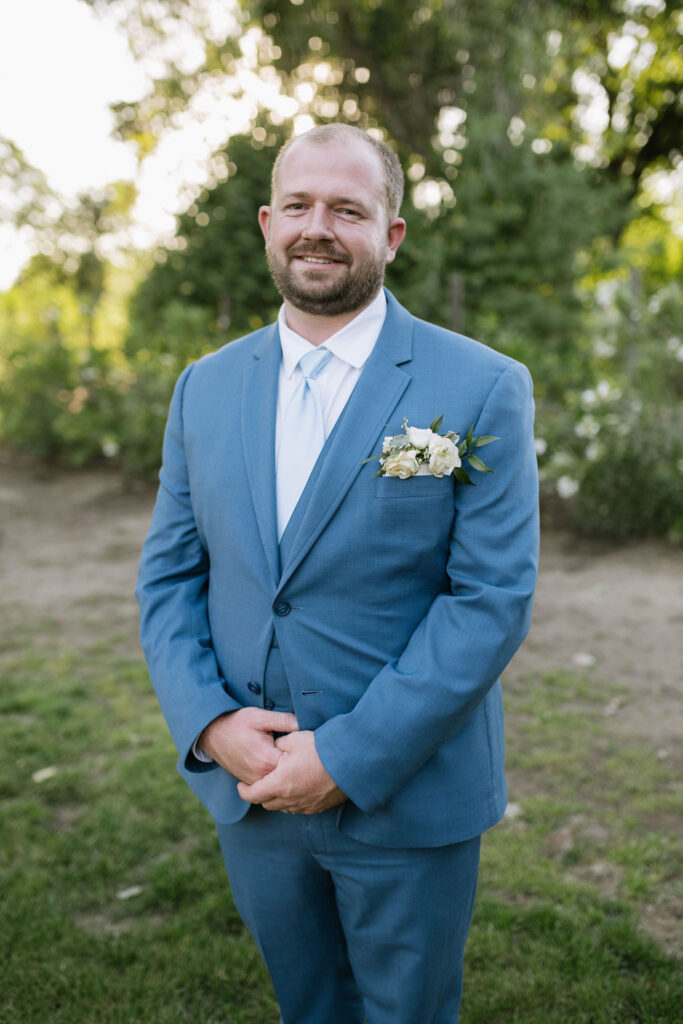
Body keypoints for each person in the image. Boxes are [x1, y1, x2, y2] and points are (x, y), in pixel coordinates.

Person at [136, 122, 539, 1024]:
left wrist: (349, 757)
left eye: (347, 209)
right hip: (254, 791)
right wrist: (208, 722)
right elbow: (168, 578)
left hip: (407, 795)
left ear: (390, 235)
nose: (318, 227)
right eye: (299, 206)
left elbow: (489, 600)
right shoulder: (204, 386)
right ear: (266, 221)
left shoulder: (480, 386)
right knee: (308, 1008)